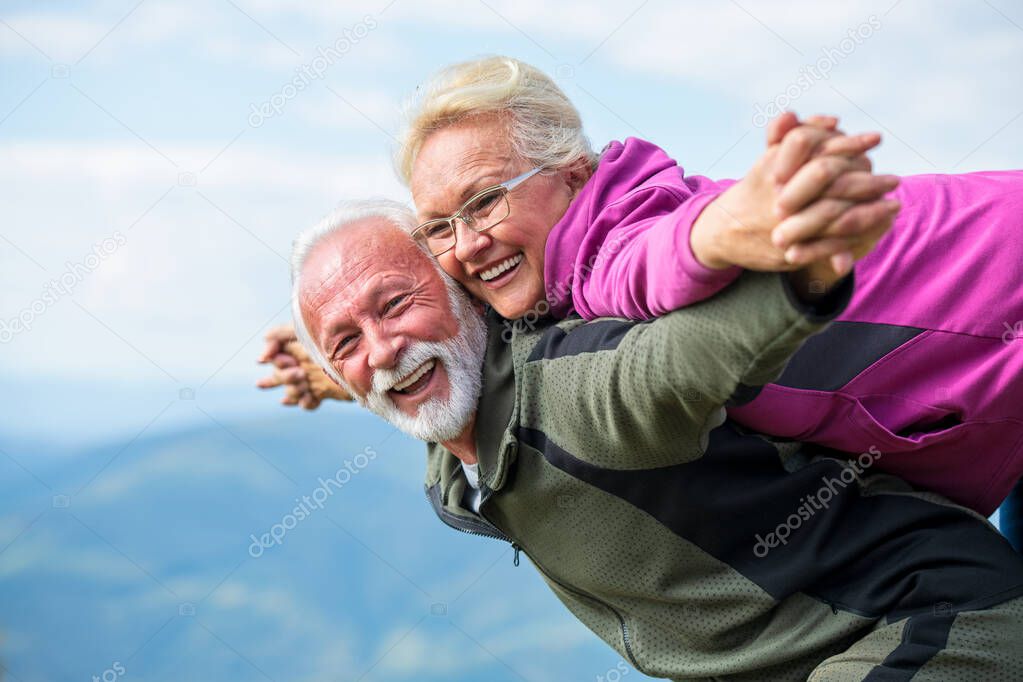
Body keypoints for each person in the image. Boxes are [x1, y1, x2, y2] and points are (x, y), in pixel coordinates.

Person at [285, 200, 1023, 680]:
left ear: (464, 298)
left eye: (396, 306)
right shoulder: (455, 445)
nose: (380, 351)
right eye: (345, 342)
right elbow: (398, 372)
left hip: (930, 620)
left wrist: (799, 270)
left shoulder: (579, 389)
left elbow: (679, 361)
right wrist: (336, 369)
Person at [394, 55, 1023, 517]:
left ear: (573, 174)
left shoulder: (613, 246)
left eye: (485, 201)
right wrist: (364, 357)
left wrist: (729, 227)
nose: (469, 242)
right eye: (440, 226)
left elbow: (657, 258)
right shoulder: (545, 285)